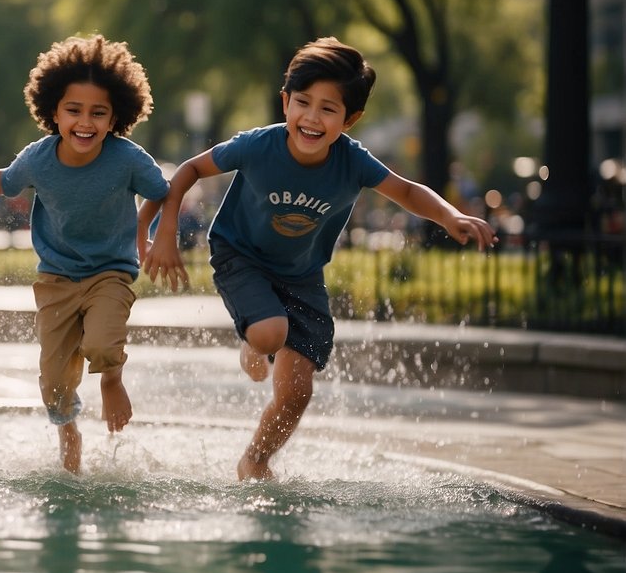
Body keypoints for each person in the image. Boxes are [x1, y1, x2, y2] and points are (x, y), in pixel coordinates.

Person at [141, 37, 497, 482]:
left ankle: (255, 458)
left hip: (302, 275)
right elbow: (191, 168)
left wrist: (449, 215)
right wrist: (167, 234)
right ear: (285, 101)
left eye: (328, 109)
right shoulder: (258, 146)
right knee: (271, 332)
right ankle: (256, 338)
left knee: (296, 394)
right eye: (303, 103)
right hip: (241, 254)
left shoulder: (353, 162)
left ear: (350, 119)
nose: (312, 117)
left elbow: (405, 190)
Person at [0, 35, 170, 473]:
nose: (85, 122)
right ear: (53, 112)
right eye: (74, 110)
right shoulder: (39, 159)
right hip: (56, 280)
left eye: (98, 113)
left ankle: (111, 379)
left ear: (115, 117)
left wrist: (148, 231)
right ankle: (68, 431)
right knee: (53, 382)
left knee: (103, 343)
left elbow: (163, 192)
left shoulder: (127, 159)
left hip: (111, 272)